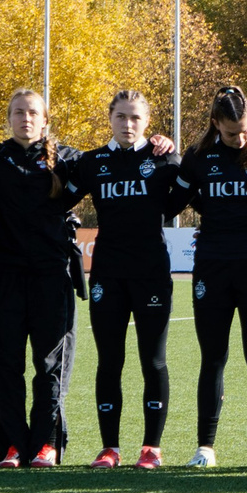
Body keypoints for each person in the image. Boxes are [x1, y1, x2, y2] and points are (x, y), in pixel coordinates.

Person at [58, 89, 187, 467]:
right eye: (121, 117)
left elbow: (188, 196)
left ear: (147, 122)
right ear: (110, 119)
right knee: (109, 360)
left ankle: (151, 447)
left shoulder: (164, 160)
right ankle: (110, 447)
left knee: (154, 361)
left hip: (150, 272)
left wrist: (174, 149)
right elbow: (55, 198)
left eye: (135, 118)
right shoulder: (93, 162)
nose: (128, 124)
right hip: (108, 274)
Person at [179, 86, 247, 468]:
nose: (239, 138)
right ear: (215, 125)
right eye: (230, 133)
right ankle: (205, 447)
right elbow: (180, 196)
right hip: (212, 265)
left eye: (244, 130)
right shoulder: (198, 158)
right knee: (213, 358)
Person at [0, 88, 82, 468]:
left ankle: (46, 443)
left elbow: (113, 163)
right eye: (18, 112)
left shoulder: (68, 159)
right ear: (8, 118)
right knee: (5, 364)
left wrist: (160, 144)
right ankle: (12, 444)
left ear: (45, 119)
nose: (25, 119)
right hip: (5, 275)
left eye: (33, 113)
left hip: (52, 277)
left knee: (51, 364)